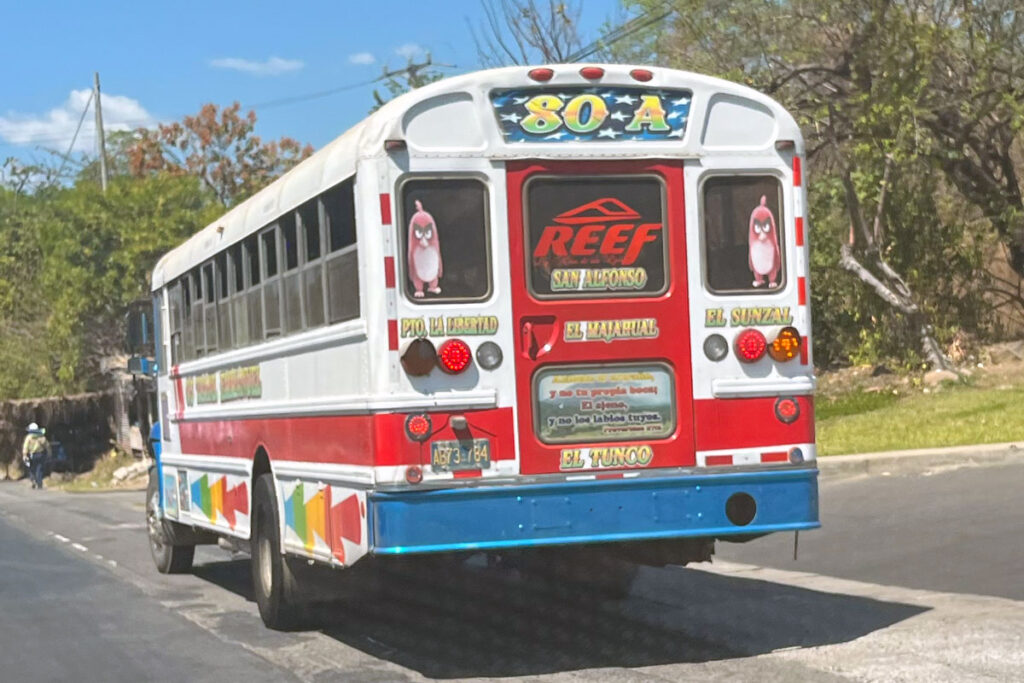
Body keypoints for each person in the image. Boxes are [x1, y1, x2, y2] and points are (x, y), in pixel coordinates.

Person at [22, 422, 51, 490]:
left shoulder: (29, 437)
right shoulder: (42, 437)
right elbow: (47, 446)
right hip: (40, 454)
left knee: (31, 469)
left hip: (32, 455)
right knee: (39, 469)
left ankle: (33, 480)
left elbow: (25, 446)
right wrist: (49, 454)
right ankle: (39, 483)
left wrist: (24, 455)